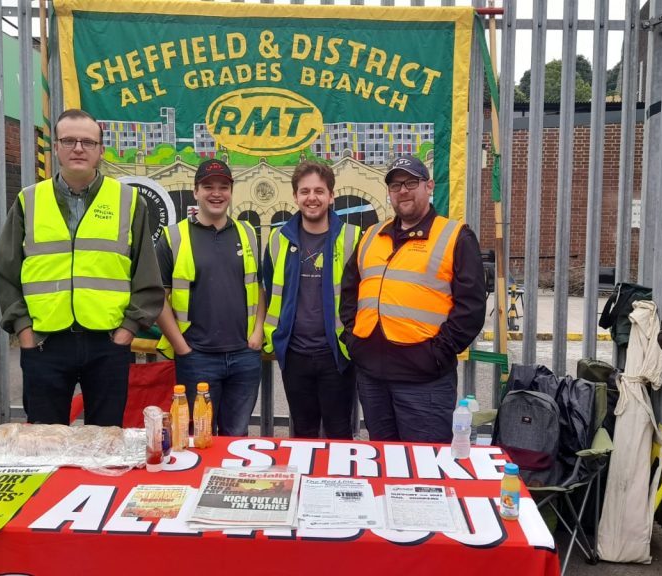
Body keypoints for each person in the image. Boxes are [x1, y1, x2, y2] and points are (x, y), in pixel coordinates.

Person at [0, 109, 163, 426]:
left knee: (106, 443)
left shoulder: (128, 201)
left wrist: (127, 331)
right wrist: (24, 330)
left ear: (100, 150)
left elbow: (147, 276)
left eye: (87, 141)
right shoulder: (29, 201)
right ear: (55, 147)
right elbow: (4, 270)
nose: (78, 148)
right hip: (45, 343)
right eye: (69, 140)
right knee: (45, 441)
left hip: (107, 344)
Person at [339, 156, 486, 443]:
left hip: (424, 382)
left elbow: (471, 308)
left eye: (410, 182)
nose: (402, 190)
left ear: (429, 186)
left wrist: (437, 354)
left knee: (425, 471)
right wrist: (353, 340)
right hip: (372, 378)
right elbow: (349, 294)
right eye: (395, 185)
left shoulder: (455, 236)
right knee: (383, 461)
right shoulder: (371, 236)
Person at [155, 158, 266, 437]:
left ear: (231, 191)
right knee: (197, 438)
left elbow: (259, 287)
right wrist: (182, 348)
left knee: (236, 437)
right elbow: (158, 299)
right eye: (208, 186)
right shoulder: (173, 237)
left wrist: (257, 333)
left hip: (244, 356)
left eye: (223, 187)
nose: (216, 193)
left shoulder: (248, 233)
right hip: (197, 357)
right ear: (196, 192)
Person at [262, 161, 361, 439]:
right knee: (303, 434)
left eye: (319, 190)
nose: (312, 198)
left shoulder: (353, 237)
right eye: (304, 191)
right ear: (295, 196)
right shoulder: (278, 239)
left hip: (337, 355)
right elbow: (269, 289)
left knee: (339, 433)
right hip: (295, 355)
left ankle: (340, 482)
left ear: (331, 196)